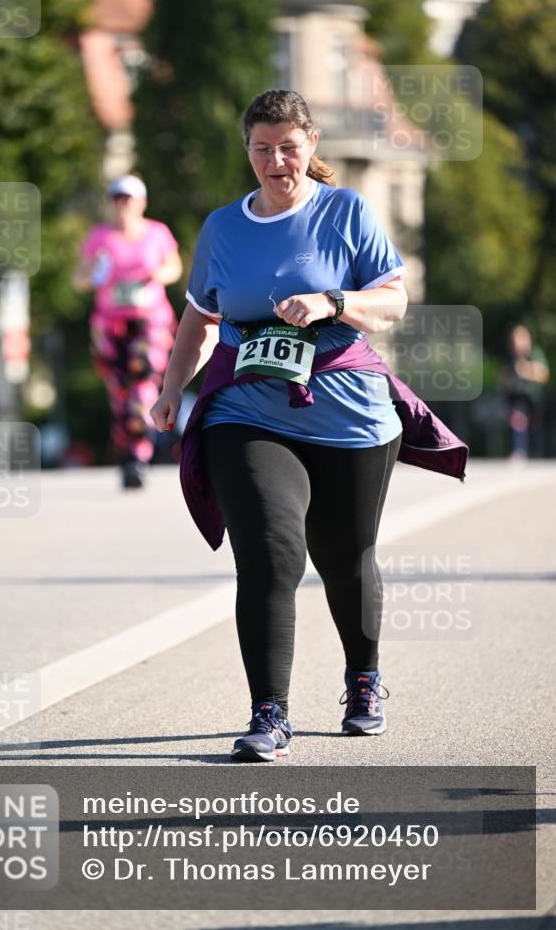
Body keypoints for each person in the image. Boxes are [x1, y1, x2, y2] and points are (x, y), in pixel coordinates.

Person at [151, 90, 468, 762]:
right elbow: (197, 318)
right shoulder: (221, 228)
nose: (275, 161)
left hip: (347, 411)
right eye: (261, 148)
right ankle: (268, 714)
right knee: (268, 555)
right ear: (247, 150)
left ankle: (363, 680)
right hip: (246, 407)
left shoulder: (345, 212)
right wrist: (168, 389)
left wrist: (333, 301)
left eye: (288, 147)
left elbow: (391, 302)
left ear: (310, 147)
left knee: (344, 559)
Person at [75, 175, 182, 488]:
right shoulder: (100, 237)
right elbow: (80, 279)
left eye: (129, 199)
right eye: (117, 199)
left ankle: (140, 453)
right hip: (110, 325)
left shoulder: (157, 232)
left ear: (142, 203)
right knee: (120, 394)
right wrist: (94, 273)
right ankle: (128, 454)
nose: (122, 205)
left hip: (149, 321)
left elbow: (173, 267)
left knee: (143, 382)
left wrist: (153, 276)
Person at [500, 323, 550, 460]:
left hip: (533, 398)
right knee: (518, 420)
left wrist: (527, 370)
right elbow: (503, 377)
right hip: (516, 398)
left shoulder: (534, 353)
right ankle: (519, 450)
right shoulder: (510, 357)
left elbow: (544, 374)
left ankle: (535, 452)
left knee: (535, 427)